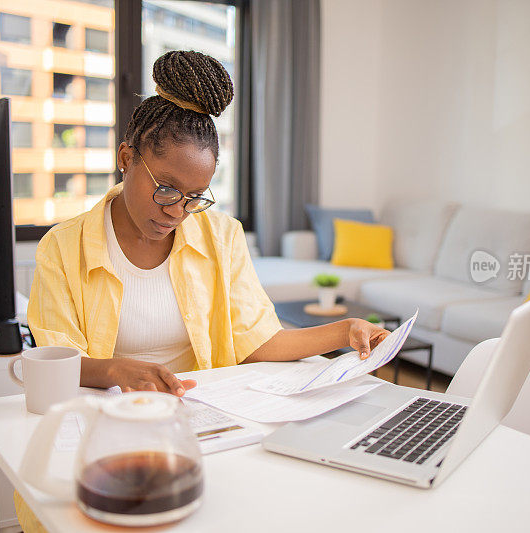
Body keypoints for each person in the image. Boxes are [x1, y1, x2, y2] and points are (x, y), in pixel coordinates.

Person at [27, 50, 390, 398]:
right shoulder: (63, 247)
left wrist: (347, 330)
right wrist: (114, 371)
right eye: (166, 189)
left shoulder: (222, 236)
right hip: (113, 417)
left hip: (205, 411)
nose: (177, 212)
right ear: (126, 158)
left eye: (195, 196)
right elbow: (55, 360)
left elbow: (258, 340)